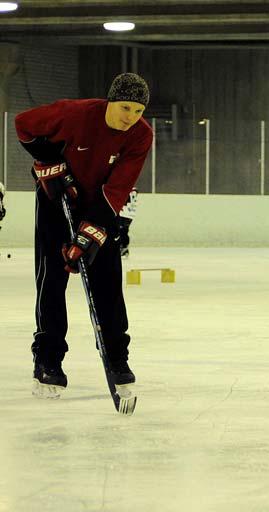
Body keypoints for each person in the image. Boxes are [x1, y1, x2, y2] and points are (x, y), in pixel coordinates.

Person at [15, 72, 153, 398]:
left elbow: (118, 186)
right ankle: (47, 361)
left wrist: (89, 234)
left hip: (100, 206)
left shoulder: (140, 135)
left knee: (108, 281)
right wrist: (50, 162)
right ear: (110, 101)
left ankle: (117, 359)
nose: (130, 118)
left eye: (137, 111)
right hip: (56, 201)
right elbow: (24, 124)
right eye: (124, 108)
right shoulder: (75, 114)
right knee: (53, 279)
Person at [118, 187, 138, 257]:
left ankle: (124, 248)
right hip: (130, 214)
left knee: (121, 230)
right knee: (123, 230)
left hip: (124, 213)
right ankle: (124, 247)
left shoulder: (128, 189)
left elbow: (124, 200)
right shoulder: (133, 190)